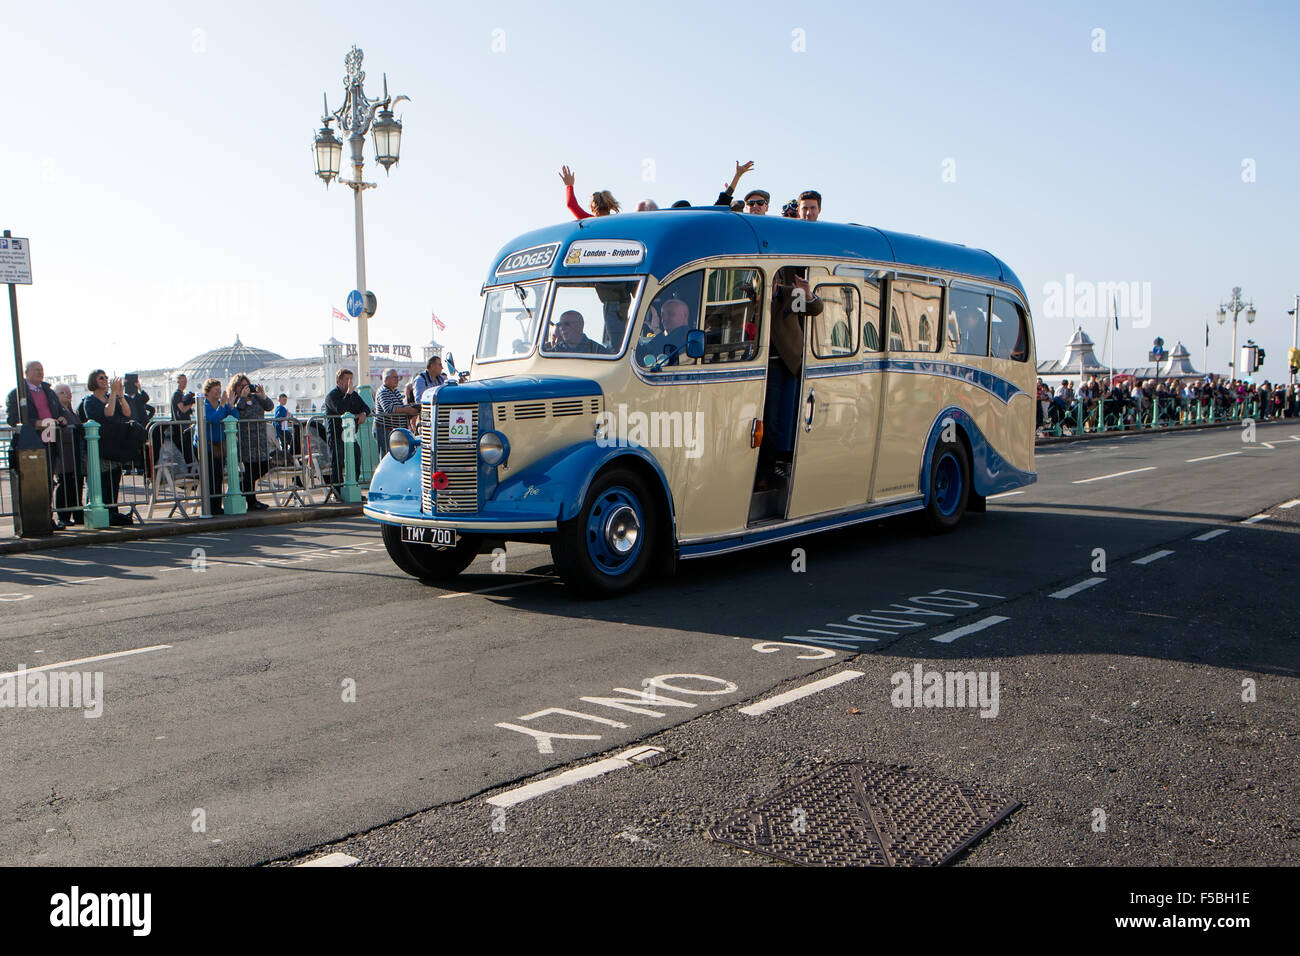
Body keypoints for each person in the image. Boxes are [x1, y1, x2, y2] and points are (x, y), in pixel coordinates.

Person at [761, 268, 823, 482]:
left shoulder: (789, 294)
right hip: (769, 365)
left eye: (772, 285)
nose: (769, 289)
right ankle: (767, 471)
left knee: (786, 417)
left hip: (792, 363)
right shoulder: (753, 297)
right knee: (770, 419)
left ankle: (779, 465)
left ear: (777, 283)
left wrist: (808, 294)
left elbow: (815, 309)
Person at [5, 360, 66, 526]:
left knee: (48, 480)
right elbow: (13, 419)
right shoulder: (17, 394)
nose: (41, 372)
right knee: (30, 482)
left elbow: (59, 412)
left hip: (49, 441)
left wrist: (61, 418)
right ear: (26, 373)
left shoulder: (49, 391)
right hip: (29, 444)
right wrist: (38, 423)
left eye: (42, 369)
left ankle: (48, 516)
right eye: (36, 369)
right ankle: (34, 519)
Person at [79, 369, 135, 525]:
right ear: (93, 381)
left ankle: (113, 511)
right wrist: (113, 394)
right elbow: (108, 413)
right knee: (101, 482)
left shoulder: (111, 398)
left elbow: (127, 412)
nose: (105, 380)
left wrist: (120, 396)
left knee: (114, 480)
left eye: (106, 378)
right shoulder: (89, 401)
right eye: (100, 378)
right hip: (100, 447)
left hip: (115, 445)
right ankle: (101, 512)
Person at [194, 377, 238, 515]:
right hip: (205, 447)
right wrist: (223, 405)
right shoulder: (204, 405)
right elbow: (213, 418)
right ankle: (210, 506)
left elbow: (234, 417)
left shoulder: (221, 404)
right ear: (207, 392)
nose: (219, 391)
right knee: (210, 476)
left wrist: (230, 405)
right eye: (216, 389)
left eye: (220, 389)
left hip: (219, 447)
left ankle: (217, 506)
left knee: (218, 476)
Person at [229, 374, 274, 510]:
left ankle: (243, 489)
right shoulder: (235, 400)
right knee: (250, 469)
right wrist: (242, 397)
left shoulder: (256, 398)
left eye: (246, 385)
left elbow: (269, 406)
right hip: (246, 439)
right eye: (241, 386)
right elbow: (239, 411)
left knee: (264, 465)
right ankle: (251, 500)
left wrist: (263, 395)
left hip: (260, 439)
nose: (245, 388)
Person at [324, 368, 369, 488]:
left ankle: (354, 486)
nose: (350, 383)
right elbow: (341, 410)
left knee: (356, 457)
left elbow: (366, 407)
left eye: (351, 379)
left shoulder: (354, 395)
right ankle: (337, 490)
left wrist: (364, 413)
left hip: (350, 435)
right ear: (339, 382)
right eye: (347, 380)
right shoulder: (331, 396)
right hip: (336, 435)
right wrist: (348, 394)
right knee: (337, 463)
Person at [52, 383, 84, 525]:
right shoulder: (57, 413)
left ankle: (77, 513)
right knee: (65, 484)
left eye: (69, 392)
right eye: (63, 392)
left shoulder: (71, 412)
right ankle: (63, 517)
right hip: (63, 455)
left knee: (76, 484)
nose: (68, 395)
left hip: (75, 454)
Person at [635, 298, 693, 368]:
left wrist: (656, 329)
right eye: (662, 315)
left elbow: (669, 353)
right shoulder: (668, 336)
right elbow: (643, 353)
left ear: (684, 316)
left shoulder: (686, 335)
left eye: (671, 314)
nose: (664, 318)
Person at [373, 368, 418, 457]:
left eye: (398, 377)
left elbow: (400, 406)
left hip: (393, 429)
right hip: (384, 429)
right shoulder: (383, 391)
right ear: (386, 379)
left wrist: (411, 408)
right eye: (395, 377)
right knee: (387, 456)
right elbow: (389, 409)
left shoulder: (395, 391)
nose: (397, 380)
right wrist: (407, 410)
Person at [170, 373, 195, 465]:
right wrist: (191, 403)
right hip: (180, 427)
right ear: (178, 382)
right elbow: (183, 409)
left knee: (187, 449)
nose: (184, 383)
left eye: (185, 381)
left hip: (184, 426)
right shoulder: (177, 394)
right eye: (182, 381)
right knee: (186, 450)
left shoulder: (181, 394)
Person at [273, 393, 297, 458]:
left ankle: (286, 457)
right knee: (290, 442)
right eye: (283, 400)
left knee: (285, 444)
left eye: (285, 400)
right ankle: (288, 457)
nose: (285, 401)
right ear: (279, 400)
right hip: (282, 429)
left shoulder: (281, 408)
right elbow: (278, 418)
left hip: (283, 428)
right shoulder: (281, 408)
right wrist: (287, 417)